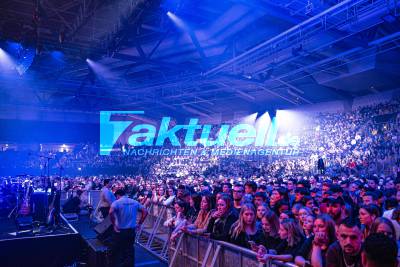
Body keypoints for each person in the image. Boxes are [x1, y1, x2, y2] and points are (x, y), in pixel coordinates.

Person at [109, 189, 148, 267]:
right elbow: (145, 212)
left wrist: (114, 224)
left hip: (120, 230)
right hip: (131, 230)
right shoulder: (134, 202)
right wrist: (139, 223)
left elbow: (110, 212)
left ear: (117, 195)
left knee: (119, 249)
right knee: (130, 249)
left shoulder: (116, 202)